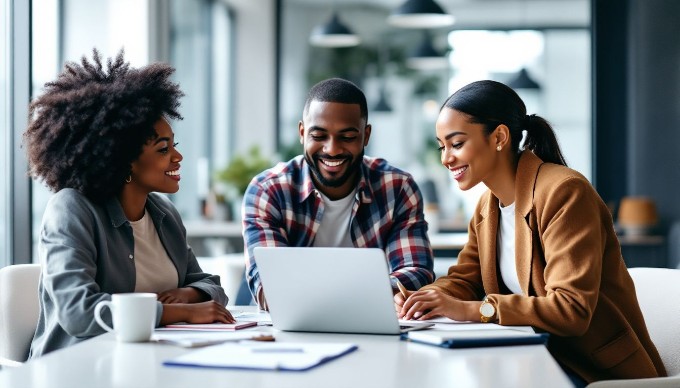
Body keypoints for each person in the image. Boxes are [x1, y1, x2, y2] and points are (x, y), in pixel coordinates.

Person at [396, 80, 666, 385]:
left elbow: (570, 309)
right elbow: (465, 280)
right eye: (442, 146)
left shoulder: (565, 192)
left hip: (594, 370)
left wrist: (474, 310)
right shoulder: (488, 206)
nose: (446, 158)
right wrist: (425, 298)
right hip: (535, 358)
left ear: (499, 137)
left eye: (456, 144)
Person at [25, 49, 234, 358]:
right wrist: (179, 312)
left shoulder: (164, 213)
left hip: (147, 361)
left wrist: (188, 294)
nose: (178, 157)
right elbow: (78, 312)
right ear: (124, 160)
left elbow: (210, 285)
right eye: (163, 149)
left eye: (173, 145)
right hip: (77, 368)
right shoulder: (71, 209)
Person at [243, 78, 434, 310]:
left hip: (370, 325)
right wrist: (372, 292)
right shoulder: (268, 190)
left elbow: (416, 272)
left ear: (366, 135)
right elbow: (271, 286)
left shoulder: (398, 188)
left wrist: (317, 294)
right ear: (302, 133)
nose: (332, 149)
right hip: (296, 330)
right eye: (319, 136)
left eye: (347, 137)